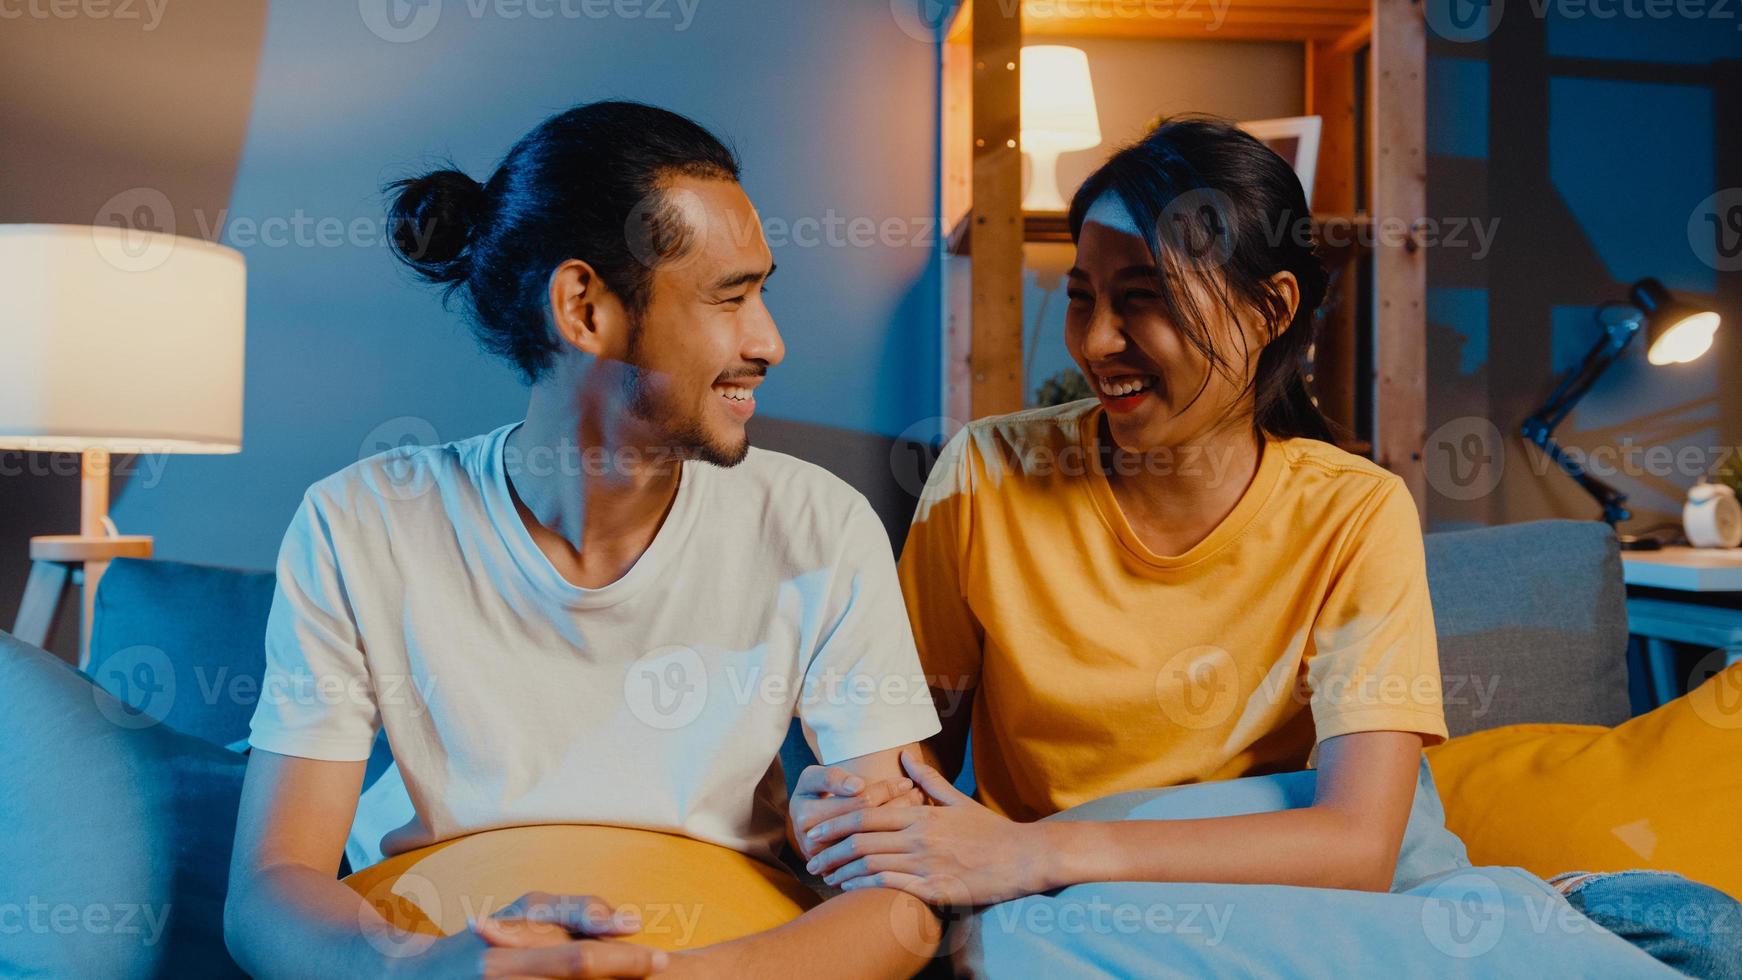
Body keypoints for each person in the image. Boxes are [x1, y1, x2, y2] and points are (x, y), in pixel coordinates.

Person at [793, 117, 1742, 980]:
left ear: (1271, 308)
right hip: (1111, 917)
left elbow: (1358, 847)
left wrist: (1035, 852)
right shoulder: (987, 475)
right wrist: (845, 811)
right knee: (1020, 949)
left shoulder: (1354, 510)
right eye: (1082, 297)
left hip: (1327, 898)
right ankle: (1542, 928)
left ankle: (1547, 920)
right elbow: (905, 775)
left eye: (1146, 298)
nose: (1098, 340)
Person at [224, 100, 940, 979]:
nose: (771, 341)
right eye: (731, 297)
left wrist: (671, 979)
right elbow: (270, 887)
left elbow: (907, 899)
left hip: (725, 948)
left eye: (763, 290)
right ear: (584, 308)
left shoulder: (816, 525)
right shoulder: (362, 521)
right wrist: (417, 972)